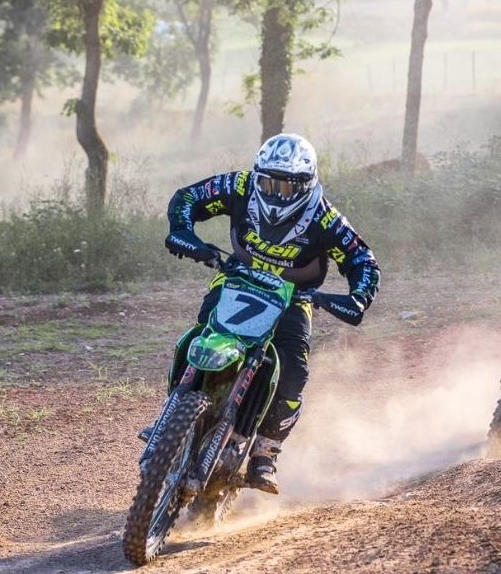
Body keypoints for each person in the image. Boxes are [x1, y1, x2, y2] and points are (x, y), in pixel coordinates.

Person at [161, 133, 380, 493]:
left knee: (294, 371)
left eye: (287, 186)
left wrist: (357, 298)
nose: (276, 193)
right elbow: (188, 197)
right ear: (257, 174)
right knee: (199, 337)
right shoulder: (240, 186)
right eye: (269, 182)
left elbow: (362, 261)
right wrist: (183, 231)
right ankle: (174, 415)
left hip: (295, 298)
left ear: (307, 184)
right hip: (236, 279)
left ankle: (265, 453)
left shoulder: (325, 218)